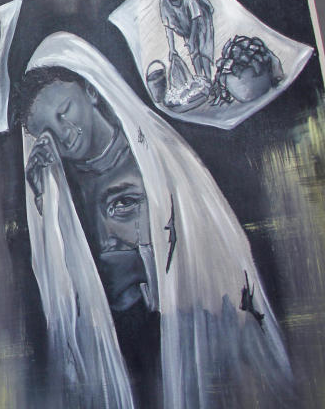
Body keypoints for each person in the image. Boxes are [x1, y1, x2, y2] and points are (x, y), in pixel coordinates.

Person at [16, 32, 292, 408]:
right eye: (47, 130)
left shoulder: (154, 156)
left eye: (65, 112)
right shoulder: (59, 186)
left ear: (92, 91)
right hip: (121, 342)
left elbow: (206, 247)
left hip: (180, 322)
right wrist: (45, 200)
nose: (64, 134)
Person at [160, 0, 215, 78]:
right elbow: (168, 27)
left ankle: (209, 78)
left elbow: (195, 18)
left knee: (203, 49)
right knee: (193, 51)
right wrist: (172, 48)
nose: (173, 0)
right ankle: (199, 77)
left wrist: (192, 39)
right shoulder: (164, 4)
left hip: (202, 18)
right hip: (185, 25)